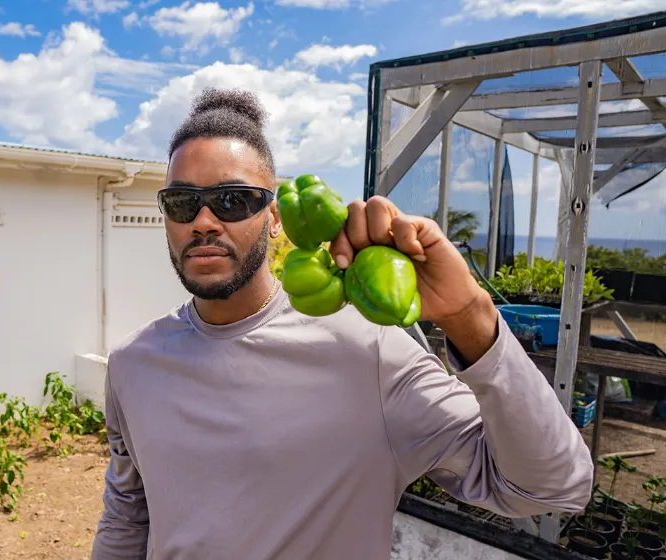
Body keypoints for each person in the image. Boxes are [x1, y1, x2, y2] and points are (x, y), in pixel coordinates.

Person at [90, 88, 594, 560]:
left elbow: (553, 486)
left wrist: (470, 316)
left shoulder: (368, 353)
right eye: (182, 202)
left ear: (274, 216)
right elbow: (128, 511)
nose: (202, 220)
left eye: (232, 200)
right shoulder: (134, 365)